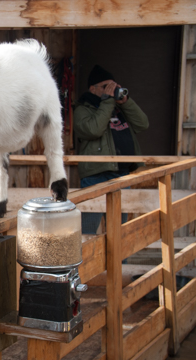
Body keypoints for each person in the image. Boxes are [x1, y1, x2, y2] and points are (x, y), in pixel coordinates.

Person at [74, 65, 149, 234]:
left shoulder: (118, 107)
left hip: (121, 174)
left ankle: (120, 262)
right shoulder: (82, 109)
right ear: (92, 89)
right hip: (96, 175)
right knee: (88, 229)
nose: (111, 90)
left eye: (113, 86)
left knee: (119, 231)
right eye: (105, 86)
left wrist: (126, 102)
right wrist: (107, 101)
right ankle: (87, 261)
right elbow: (94, 129)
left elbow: (142, 124)